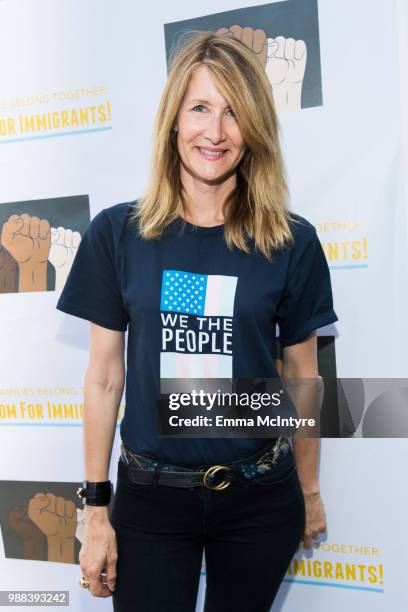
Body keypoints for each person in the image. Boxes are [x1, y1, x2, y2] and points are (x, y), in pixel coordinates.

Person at [56, 31, 338, 612]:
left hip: (260, 500)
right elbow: (105, 379)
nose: (215, 131)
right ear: (173, 121)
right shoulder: (117, 234)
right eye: (201, 108)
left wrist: (309, 491)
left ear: (255, 128)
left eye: (234, 112)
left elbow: (302, 380)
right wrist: (95, 507)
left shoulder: (294, 242)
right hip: (148, 503)